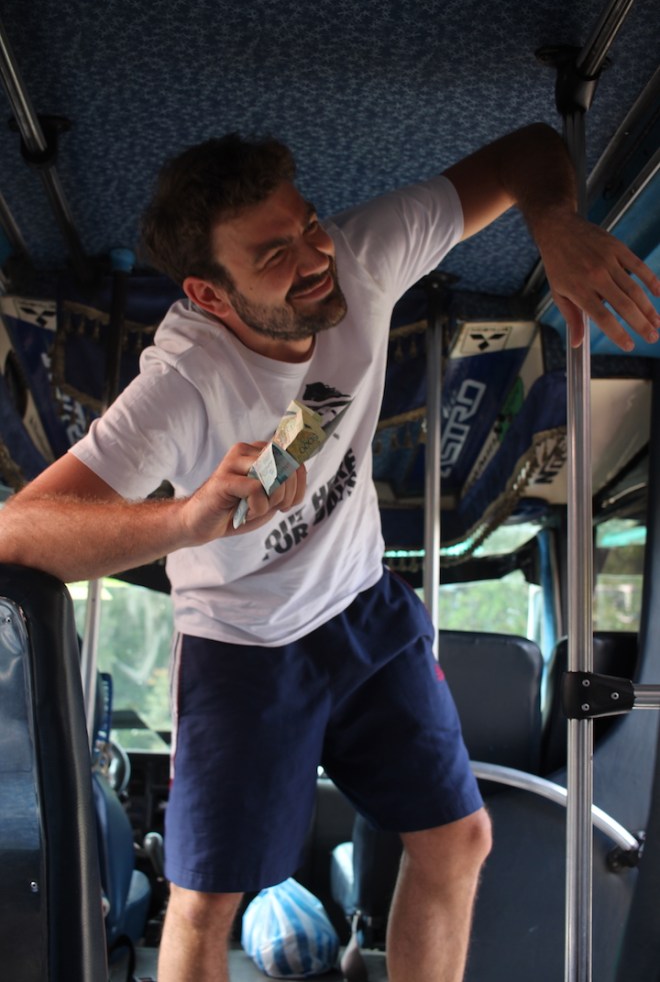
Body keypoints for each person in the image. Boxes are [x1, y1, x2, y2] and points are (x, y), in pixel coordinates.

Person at [1, 123, 659, 982]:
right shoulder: (183, 386)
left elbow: (527, 151)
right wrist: (187, 520)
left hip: (363, 607)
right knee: (205, 903)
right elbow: (17, 530)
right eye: (274, 254)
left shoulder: (363, 254)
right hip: (243, 644)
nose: (314, 257)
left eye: (307, 223)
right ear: (208, 293)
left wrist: (555, 224)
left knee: (459, 839)